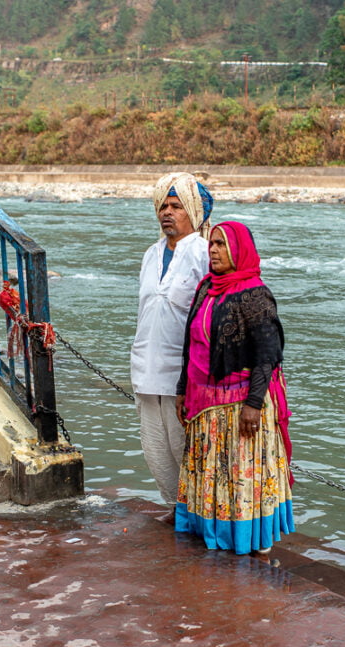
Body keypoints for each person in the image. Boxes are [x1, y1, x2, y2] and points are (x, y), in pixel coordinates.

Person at [174, 221, 294, 555]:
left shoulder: (254, 294)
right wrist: (182, 388)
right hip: (203, 400)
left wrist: (253, 404)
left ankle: (248, 539)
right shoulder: (206, 287)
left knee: (239, 474)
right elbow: (190, 344)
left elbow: (267, 354)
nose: (213, 250)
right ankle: (209, 530)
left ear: (239, 251)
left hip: (240, 406)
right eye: (212, 244)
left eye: (221, 245)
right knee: (212, 471)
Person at [131, 173, 214, 521]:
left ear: (193, 211)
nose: (167, 212)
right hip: (145, 368)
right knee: (155, 449)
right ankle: (176, 507)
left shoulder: (204, 252)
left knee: (187, 447)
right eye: (163, 206)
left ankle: (201, 511)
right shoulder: (151, 254)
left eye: (176, 206)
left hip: (184, 373)